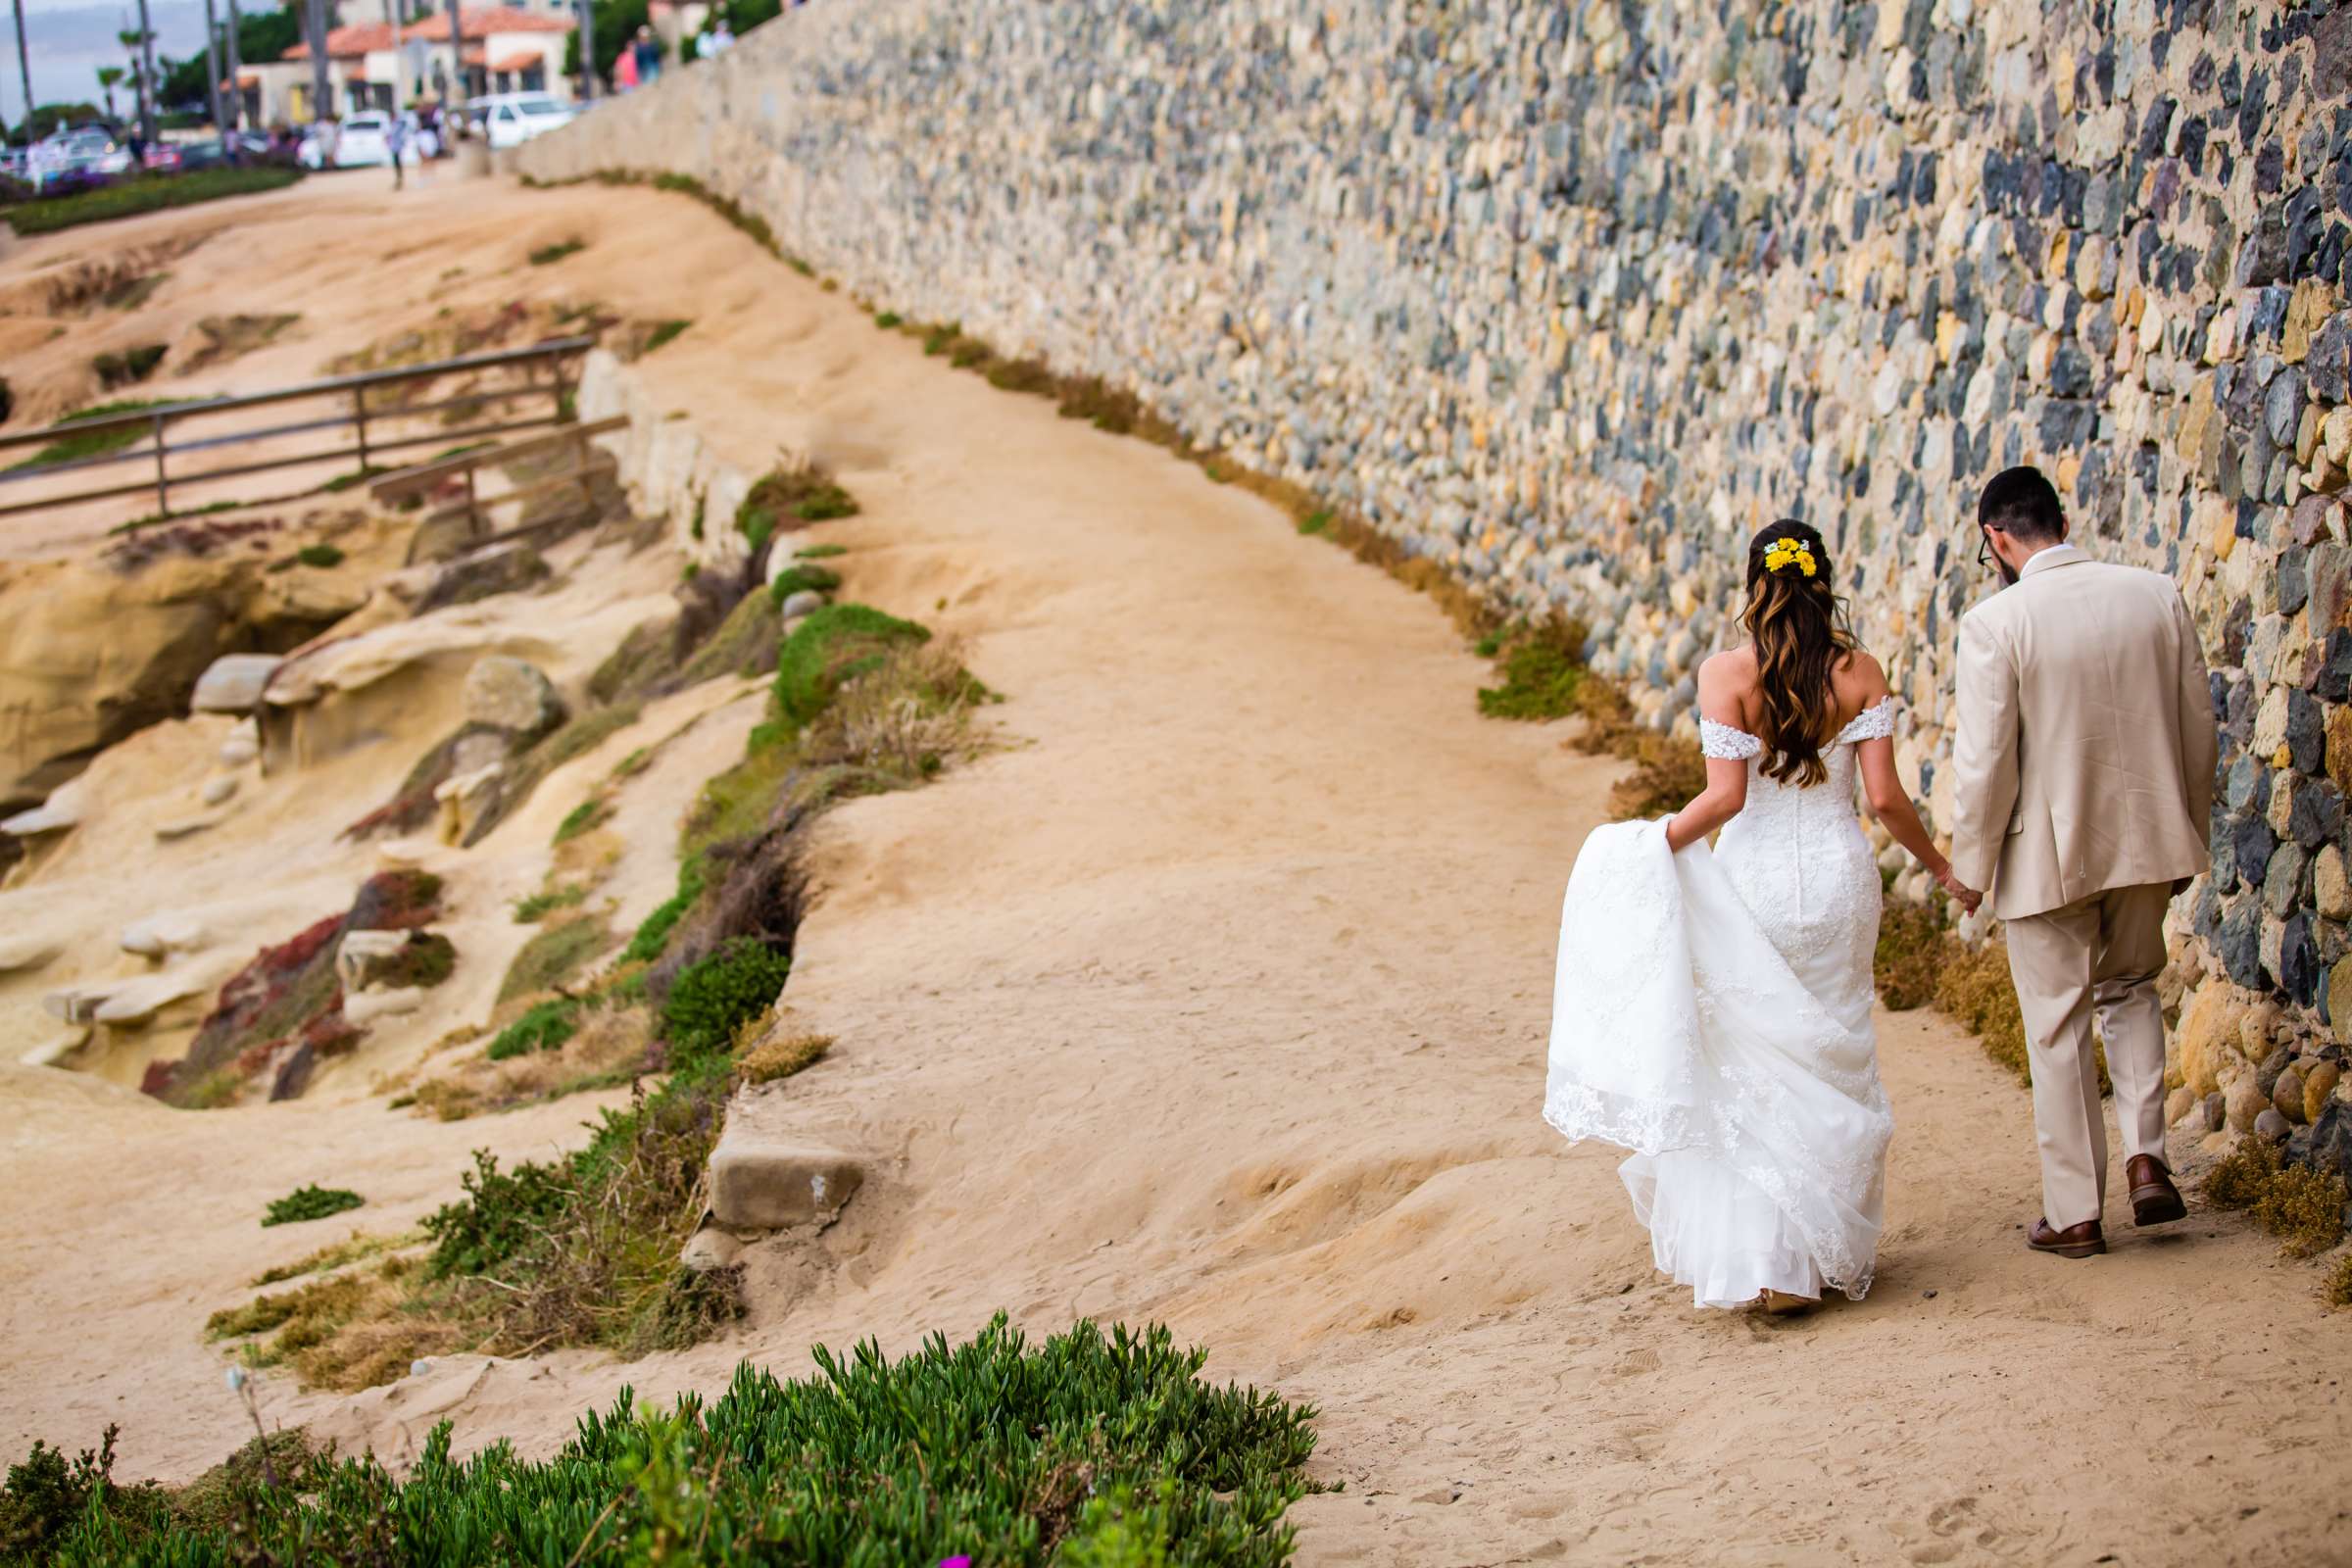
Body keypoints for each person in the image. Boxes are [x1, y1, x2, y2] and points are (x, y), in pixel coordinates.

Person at [1544, 520, 1962, 1313]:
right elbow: (1881, 798)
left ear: (1752, 585)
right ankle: (1813, 1251)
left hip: (1757, 883)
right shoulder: (1861, 671)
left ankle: (1773, 1266)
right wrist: (1939, 868)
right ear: (1824, 581)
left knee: (1753, 1060)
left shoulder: (1725, 674)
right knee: (1833, 1048)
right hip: (1841, 882)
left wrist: (1643, 845)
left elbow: (1725, 799)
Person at [1950, 466, 2216, 1260]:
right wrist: (2186, 831)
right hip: (2148, 838)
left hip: (2045, 859)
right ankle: (2146, 1159)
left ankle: (2075, 1213)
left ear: (1997, 538)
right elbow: (2197, 727)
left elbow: (1986, 764)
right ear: (2059, 519)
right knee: (2132, 989)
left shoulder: (1997, 621)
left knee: (2058, 1026)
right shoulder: (2155, 595)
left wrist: (1973, 866)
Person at [387, 111, 410, 190]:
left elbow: (404, 123)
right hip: (394, 147)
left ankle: (399, 178)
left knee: (397, 163)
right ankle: (399, 178)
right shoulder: (393, 124)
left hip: (397, 146)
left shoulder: (397, 124)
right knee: (396, 163)